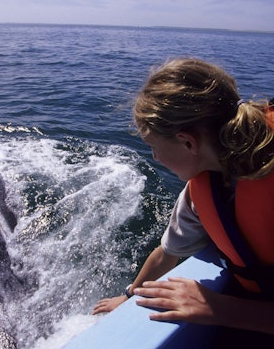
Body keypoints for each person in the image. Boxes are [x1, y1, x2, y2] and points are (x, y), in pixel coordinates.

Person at [92, 58, 274, 343]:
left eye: (154, 147)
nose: (155, 157)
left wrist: (218, 308)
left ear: (188, 143)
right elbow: (167, 253)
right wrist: (128, 296)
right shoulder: (200, 190)